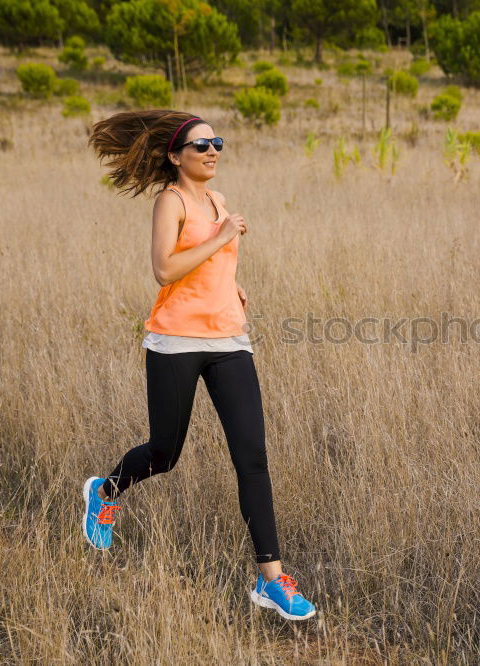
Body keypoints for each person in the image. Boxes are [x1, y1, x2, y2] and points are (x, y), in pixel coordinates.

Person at [82, 110, 315, 621]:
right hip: (175, 342)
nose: (212, 152)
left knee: (252, 456)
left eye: (217, 144)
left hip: (229, 339)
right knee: (165, 453)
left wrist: (230, 285)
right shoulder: (171, 201)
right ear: (175, 156)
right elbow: (165, 268)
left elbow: (213, 262)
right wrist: (221, 236)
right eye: (200, 146)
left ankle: (270, 579)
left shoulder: (217, 200)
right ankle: (104, 492)